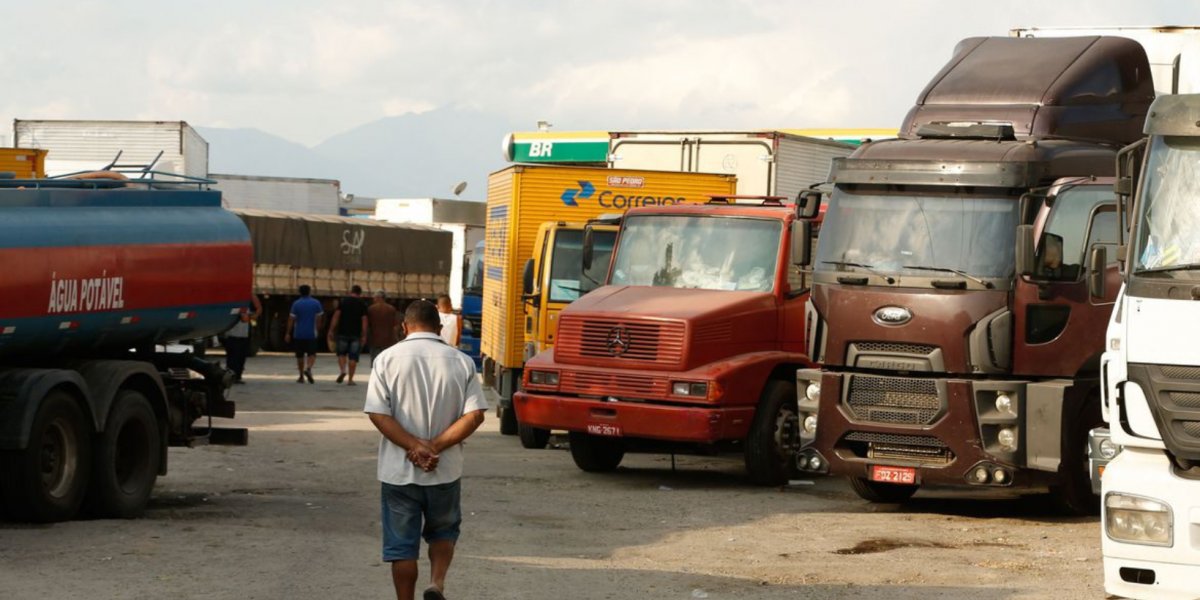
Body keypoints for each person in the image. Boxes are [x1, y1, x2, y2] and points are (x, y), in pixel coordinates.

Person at [364, 300, 487, 600]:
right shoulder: (462, 361)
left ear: (404, 326)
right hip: (444, 470)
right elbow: (475, 415)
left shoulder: (386, 359)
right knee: (443, 531)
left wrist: (414, 446)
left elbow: (378, 413)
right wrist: (434, 447)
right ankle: (436, 583)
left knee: (402, 547)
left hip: (399, 472)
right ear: (440, 326)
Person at [329, 285, 369, 385]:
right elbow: (364, 320)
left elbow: (336, 316)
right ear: (360, 293)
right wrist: (364, 334)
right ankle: (350, 380)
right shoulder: (362, 303)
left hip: (342, 332)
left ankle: (343, 370)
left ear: (351, 291)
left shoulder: (343, 301)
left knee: (341, 354)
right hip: (356, 334)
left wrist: (331, 330)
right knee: (353, 357)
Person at [285, 284, 323, 384]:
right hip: (311, 333)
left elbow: (291, 319)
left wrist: (288, 333)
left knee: (300, 356)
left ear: (300, 292)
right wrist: (318, 329)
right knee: (312, 354)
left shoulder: (296, 304)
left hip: (298, 333)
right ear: (309, 291)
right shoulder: (316, 303)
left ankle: (301, 376)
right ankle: (309, 368)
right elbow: (319, 319)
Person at [224, 294, 262, 384]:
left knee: (239, 357)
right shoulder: (236, 306)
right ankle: (232, 377)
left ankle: (236, 376)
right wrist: (252, 316)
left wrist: (253, 315)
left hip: (242, 335)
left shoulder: (244, 306)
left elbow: (258, 308)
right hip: (233, 335)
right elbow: (245, 319)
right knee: (234, 358)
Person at [368, 290, 400, 366]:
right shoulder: (391, 309)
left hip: (375, 339)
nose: (373, 299)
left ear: (379, 298)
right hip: (388, 340)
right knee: (387, 362)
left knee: (375, 361)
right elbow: (396, 325)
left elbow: (368, 324)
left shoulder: (371, 309)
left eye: (374, 298)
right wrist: (396, 337)